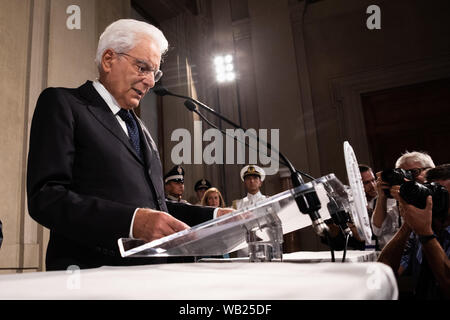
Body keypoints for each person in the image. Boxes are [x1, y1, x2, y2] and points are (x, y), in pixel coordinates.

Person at [26, 19, 231, 271]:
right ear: (109, 59)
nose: (151, 82)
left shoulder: (141, 129)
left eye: (154, 73)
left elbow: (158, 209)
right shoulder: (63, 104)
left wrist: (214, 219)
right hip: (91, 274)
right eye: (142, 67)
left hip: (152, 275)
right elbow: (46, 198)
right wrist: (131, 223)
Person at [378, 164, 450, 299]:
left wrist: (426, 234)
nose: (434, 201)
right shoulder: (421, 228)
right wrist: (408, 223)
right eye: (433, 192)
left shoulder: (424, 230)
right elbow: (383, 271)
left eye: (443, 194)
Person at [372, 151, 435, 249]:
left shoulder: (439, 196)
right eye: (403, 174)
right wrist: (382, 196)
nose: (407, 178)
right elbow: (378, 229)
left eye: (413, 172)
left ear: (430, 170)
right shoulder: (399, 200)